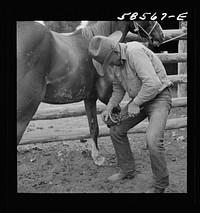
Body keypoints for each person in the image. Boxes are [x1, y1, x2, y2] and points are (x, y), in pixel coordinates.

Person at [89, 31, 173, 193]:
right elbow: (118, 88)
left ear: (114, 51)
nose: (110, 66)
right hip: (141, 100)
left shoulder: (134, 52)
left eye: (108, 61)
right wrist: (109, 106)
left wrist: (135, 103)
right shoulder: (117, 63)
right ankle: (127, 169)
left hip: (160, 98)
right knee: (116, 130)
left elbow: (153, 84)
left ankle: (160, 185)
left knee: (153, 141)